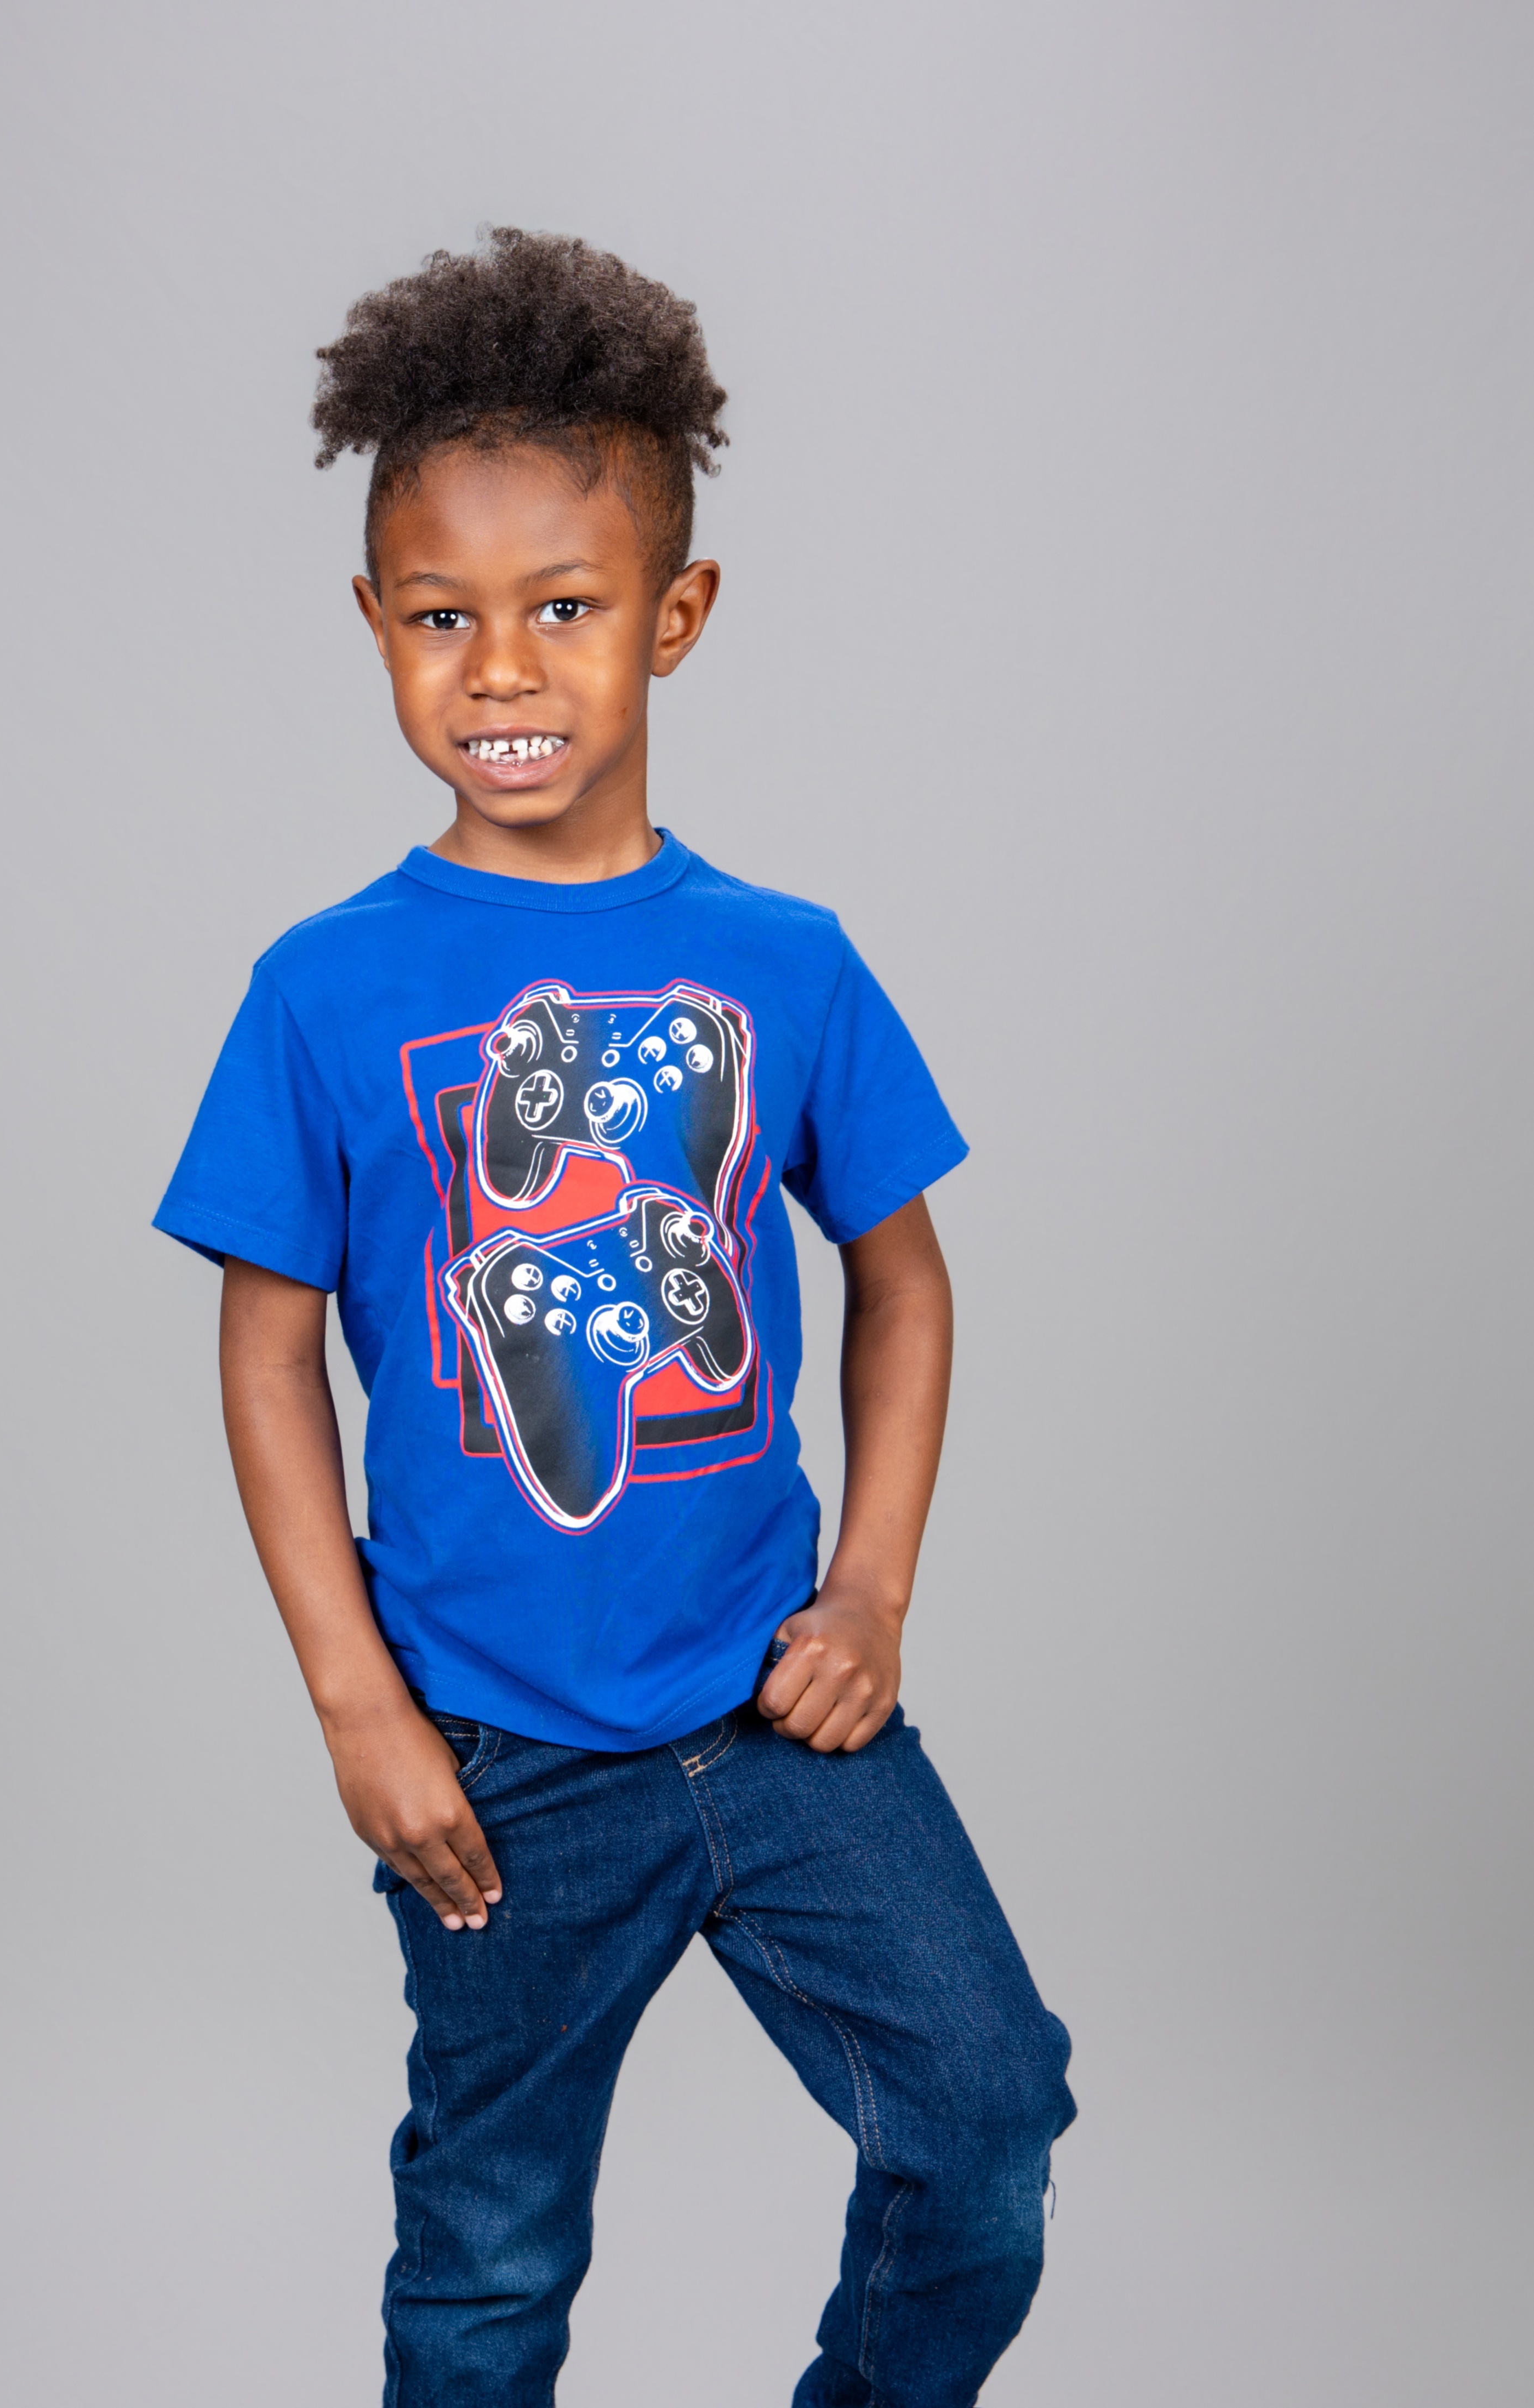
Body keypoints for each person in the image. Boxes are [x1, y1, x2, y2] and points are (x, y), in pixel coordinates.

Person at [153, 227, 1074, 2408]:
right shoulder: (323, 988)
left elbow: (905, 1278)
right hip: (494, 1748)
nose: (502, 666)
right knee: (489, 2255)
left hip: (773, 1710)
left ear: (675, 614)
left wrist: (873, 1587)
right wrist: (357, 1707)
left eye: (563, 606)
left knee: (983, 2122)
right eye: (441, 615)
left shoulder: (787, 958)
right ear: (373, 624)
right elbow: (267, 1353)